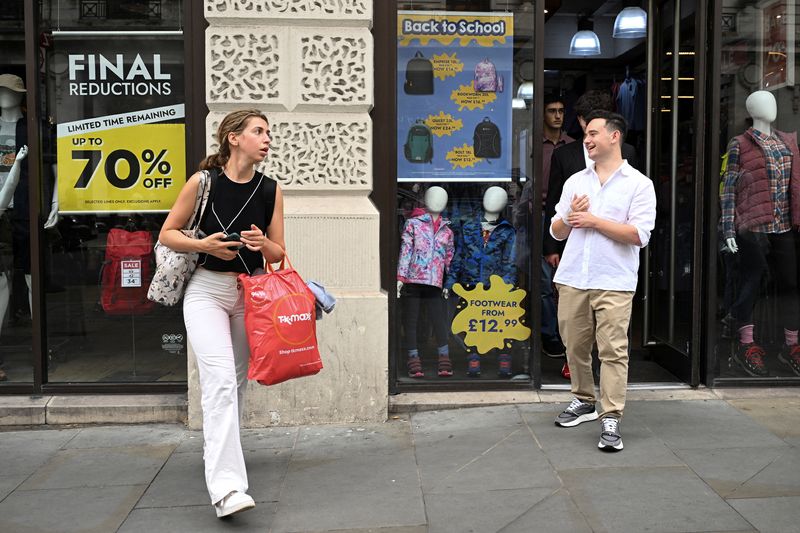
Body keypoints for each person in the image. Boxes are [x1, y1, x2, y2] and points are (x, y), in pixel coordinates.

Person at [158, 109, 285, 517]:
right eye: (258, 131)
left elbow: (280, 254)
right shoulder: (203, 182)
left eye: (268, 132)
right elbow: (168, 233)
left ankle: (217, 452)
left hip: (250, 295)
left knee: (235, 384)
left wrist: (261, 242)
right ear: (233, 138)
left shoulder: (270, 189)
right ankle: (228, 490)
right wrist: (205, 247)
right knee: (219, 381)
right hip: (207, 292)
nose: (267, 139)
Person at [550, 110, 656, 452]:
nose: (587, 139)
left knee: (612, 350)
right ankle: (582, 400)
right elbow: (556, 230)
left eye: (594, 133)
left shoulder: (639, 184)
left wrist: (594, 220)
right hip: (573, 277)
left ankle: (611, 415)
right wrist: (569, 216)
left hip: (614, 279)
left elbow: (639, 235)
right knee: (574, 345)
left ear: (615, 136)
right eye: (585, 135)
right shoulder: (575, 182)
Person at [543, 89, 640, 379]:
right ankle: (576, 368)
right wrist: (552, 247)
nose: (590, 136)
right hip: (574, 250)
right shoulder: (566, 155)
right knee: (573, 320)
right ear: (582, 122)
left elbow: (635, 210)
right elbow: (554, 208)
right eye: (588, 124)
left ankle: (607, 378)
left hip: (614, 253)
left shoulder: (630, 157)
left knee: (612, 327)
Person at [720, 90, 800, 377]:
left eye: (773, 101)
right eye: (765, 102)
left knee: (791, 284)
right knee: (751, 283)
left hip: (784, 226)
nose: (772, 106)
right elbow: (729, 188)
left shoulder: (788, 142)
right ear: (753, 109)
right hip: (752, 226)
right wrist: (729, 227)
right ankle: (746, 344)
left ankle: (791, 345)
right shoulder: (740, 143)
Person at [514, 94, 574, 363]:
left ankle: (564, 334)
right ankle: (547, 334)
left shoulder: (574, 146)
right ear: (543, 114)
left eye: (561, 110)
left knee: (562, 279)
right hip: (534, 214)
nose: (557, 116)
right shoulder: (527, 143)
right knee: (539, 278)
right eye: (552, 110)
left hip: (565, 217)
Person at [397, 186, 455, 378]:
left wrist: (448, 283)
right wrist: (400, 277)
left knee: (439, 320)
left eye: (442, 198)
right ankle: (413, 358)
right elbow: (406, 251)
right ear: (425, 200)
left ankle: (444, 357)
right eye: (433, 197)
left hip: (435, 281)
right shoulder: (413, 224)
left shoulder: (447, 230)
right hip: (413, 279)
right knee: (411, 320)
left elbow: (449, 257)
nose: (437, 201)